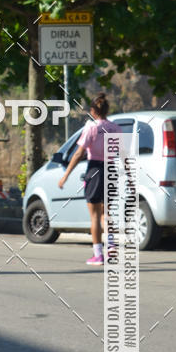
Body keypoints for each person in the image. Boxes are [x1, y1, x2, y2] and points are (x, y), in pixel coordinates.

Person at [58, 93, 118, 265]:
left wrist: (65, 175)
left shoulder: (91, 128)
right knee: (107, 212)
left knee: (94, 215)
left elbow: (78, 153)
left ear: (93, 111)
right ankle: (111, 244)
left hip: (95, 169)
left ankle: (98, 254)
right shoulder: (115, 128)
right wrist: (128, 176)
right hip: (111, 169)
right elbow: (123, 155)